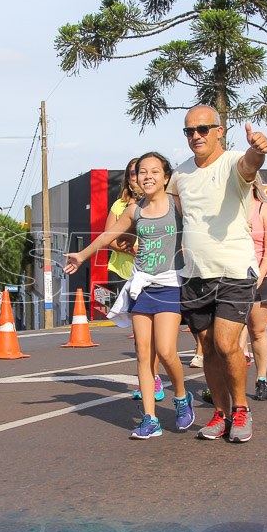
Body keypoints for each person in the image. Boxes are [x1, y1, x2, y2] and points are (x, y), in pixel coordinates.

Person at [64, 152, 193, 439]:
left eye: (154, 171)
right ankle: (150, 418)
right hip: (141, 286)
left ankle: (182, 399)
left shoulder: (178, 205)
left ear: (166, 177)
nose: (147, 176)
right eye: (142, 172)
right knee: (143, 353)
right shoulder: (134, 210)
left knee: (167, 351)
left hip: (170, 284)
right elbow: (108, 236)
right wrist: (82, 255)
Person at [167, 105, 267, 444]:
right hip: (195, 274)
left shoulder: (233, 162)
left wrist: (258, 151)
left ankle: (241, 409)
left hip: (234, 271)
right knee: (208, 348)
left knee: (227, 344)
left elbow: (249, 167)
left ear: (219, 131)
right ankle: (221, 414)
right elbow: (171, 217)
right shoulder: (179, 175)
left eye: (203, 129)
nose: (196, 136)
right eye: (189, 131)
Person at [109, 158, 164, 402]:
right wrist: (127, 248)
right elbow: (108, 237)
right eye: (132, 173)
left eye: (139, 172)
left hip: (154, 273)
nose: (136, 177)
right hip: (125, 273)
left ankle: (155, 378)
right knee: (141, 336)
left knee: (155, 336)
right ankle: (147, 379)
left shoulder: (158, 204)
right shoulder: (120, 205)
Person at [244, 174, 267, 401]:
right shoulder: (225, 210)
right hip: (231, 279)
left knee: (257, 331)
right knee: (232, 335)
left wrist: (258, 276)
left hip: (261, 276)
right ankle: (232, 383)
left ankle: (261, 379)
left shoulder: (264, 209)